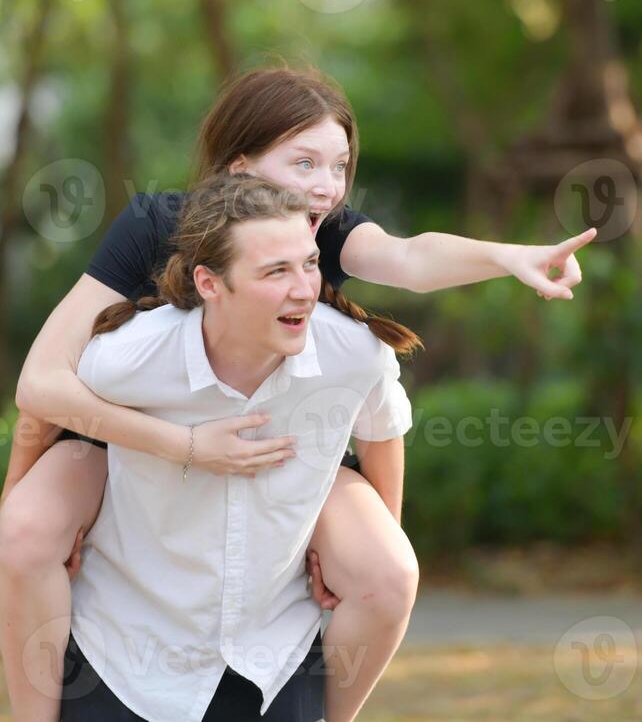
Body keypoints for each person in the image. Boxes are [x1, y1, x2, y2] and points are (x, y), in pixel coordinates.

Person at [0, 65, 597, 721]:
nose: (325, 187)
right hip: (125, 434)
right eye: (304, 162)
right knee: (26, 531)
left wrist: (509, 257)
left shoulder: (325, 231)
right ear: (240, 167)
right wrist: (173, 449)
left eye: (339, 166)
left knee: (384, 568)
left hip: (284, 440)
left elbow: (411, 261)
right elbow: (41, 385)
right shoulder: (153, 225)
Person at [60, 173, 414, 721]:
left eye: (309, 264)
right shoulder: (125, 358)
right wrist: (29, 523)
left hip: (272, 654)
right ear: (209, 284)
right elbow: (45, 405)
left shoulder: (353, 355)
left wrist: (366, 560)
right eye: (276, 271)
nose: (304, 289)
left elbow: (383, 435)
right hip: (126, 658)